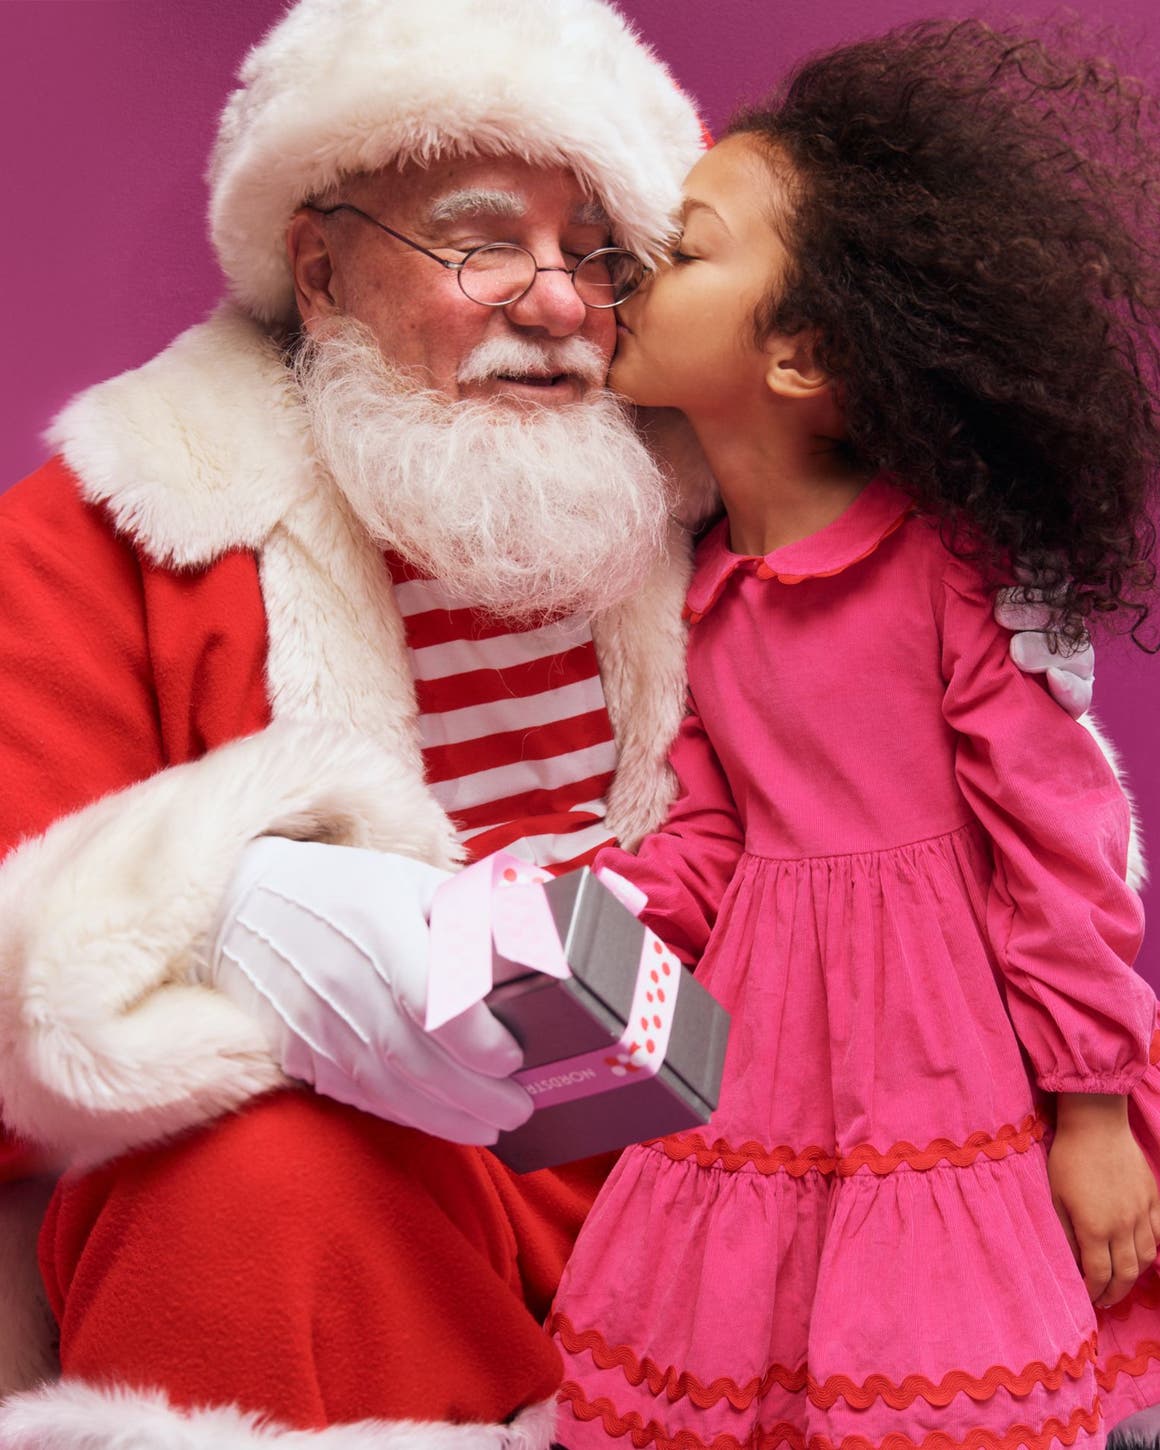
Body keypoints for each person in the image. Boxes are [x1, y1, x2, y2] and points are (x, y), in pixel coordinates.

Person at [0, 3, 1097, 1447]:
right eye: (479, 241)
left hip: (737, 1149)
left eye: (597, 249)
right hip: (378, 1200)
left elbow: (991, 836)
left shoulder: (741, 502)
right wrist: (232, 910)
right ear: (321, 271)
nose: (562, 301)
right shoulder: (126, 520)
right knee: (239, 1187)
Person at [547, 20, 1160, 1450]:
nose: (634, 276)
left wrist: (1091, 1111)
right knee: (757, 1357)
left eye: (687, 250)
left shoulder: (946, 567)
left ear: (805, 354)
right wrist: (592, 912)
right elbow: (707, 828)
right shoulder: (700, 591)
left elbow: (1065, 847)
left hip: (940, 1049)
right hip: (766, 1044)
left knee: (923, 1367)